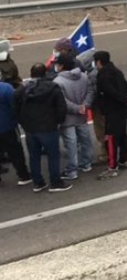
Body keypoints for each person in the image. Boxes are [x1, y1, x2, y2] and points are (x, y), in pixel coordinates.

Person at [14, 63, 70, 192]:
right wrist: (58, 121)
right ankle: (55, 182)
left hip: (30, 128)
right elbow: (61, 107)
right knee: (53, 155)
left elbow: (15, 106)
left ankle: (38, 183)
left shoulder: (23, 89)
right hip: (49, 127)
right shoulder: (53, 88)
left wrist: (22, 121)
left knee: (34, 156)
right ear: (45, 73)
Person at [92, 51, 127, 179]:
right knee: (122, 135)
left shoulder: (103, 75)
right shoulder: (116, 71)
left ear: (99, 62)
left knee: (110, 138)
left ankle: (112, 167)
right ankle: (123, 160)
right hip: (123, 109)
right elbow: (126, 87)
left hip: (113, 110)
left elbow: (111, 92)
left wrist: (124, 99)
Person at [53, 54, 95, 181]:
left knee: (71, 144)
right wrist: (84, 106)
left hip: (68, 118)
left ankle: (72, 170)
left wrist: (77, 108)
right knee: (85, 139)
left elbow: (63, 102)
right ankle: (87, 163)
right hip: (82, 115)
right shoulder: (83, 76)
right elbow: (90, 92)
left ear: (61, 66)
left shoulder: (58, 81)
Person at [0, 75, 32, 186]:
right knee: (15, 151)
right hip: (7, 126)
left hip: (6, 125)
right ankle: (23, 175)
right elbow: (14, 105)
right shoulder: (6, 88)